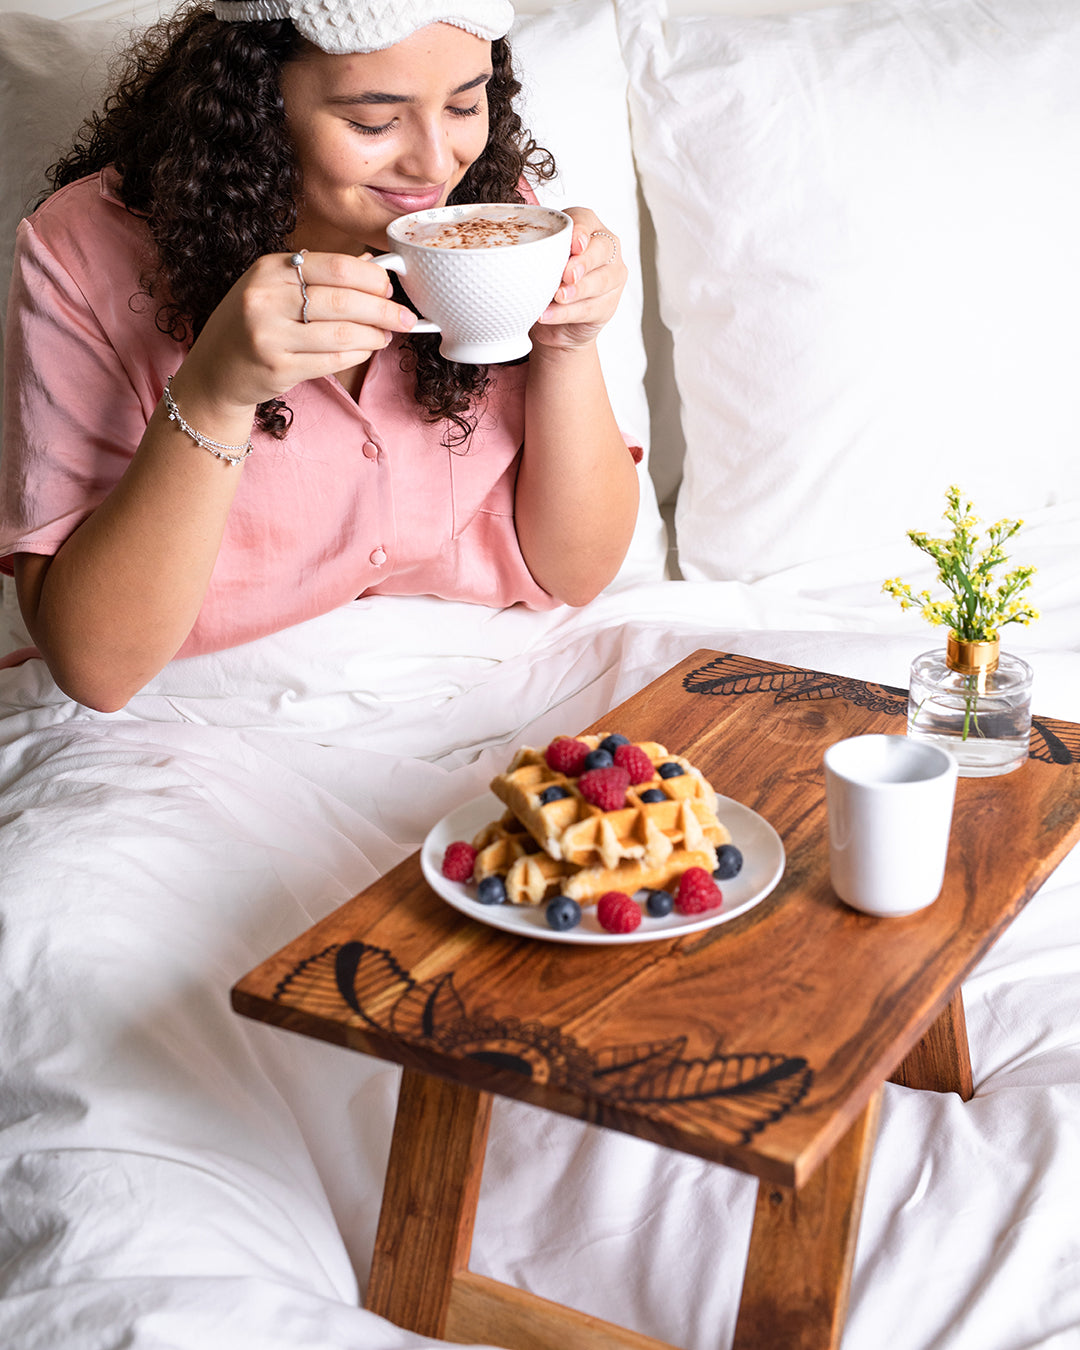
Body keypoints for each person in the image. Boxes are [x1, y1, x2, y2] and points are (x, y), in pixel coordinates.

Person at [0, 0, 639, 713]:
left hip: (495, 680)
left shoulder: (489, 217)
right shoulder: (84, 254)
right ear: (252, 107)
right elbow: (96, 671)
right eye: (373, 121)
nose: (436, 163)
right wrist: (215, 392)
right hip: (198, 716)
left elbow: (577, 574)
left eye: (464, 105)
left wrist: (566, 341)